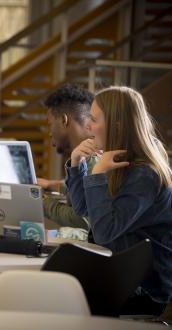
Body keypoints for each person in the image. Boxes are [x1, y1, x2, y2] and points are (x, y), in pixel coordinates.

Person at [67, 86, 172, 315]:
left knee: (55, 299)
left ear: (116, 125)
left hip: (144, 290)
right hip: (122, 277)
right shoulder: (119, 162)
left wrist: (96, 175)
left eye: (93, 119)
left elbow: (105, 231)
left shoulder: (145, 174)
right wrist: (77, 163)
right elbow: (83, 208)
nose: (87, 126)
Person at [38, 84, 94, 230]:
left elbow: (84, 220)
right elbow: (85, 190)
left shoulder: (93, 157)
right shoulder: (85, 155)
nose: (50, 133)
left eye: (50, 124)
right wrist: (51, 184)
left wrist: (41, 200)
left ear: (64, 120)